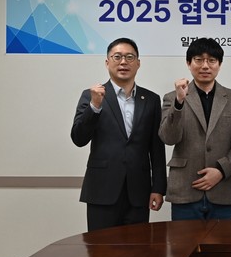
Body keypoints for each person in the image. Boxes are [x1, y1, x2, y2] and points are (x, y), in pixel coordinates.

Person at [71, 38, 166, 231]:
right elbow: (78, 138)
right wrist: (94, 107)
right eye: (117, 57)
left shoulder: (151, 99)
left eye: (130, 57)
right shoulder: (91, 96)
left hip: (138, 192)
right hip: (102, 189)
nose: (123, 62)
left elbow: (156, 147)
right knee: (101, 248)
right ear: (107, 62)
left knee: (138, 247)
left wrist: (158, 188)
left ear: (138, 63)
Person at [159, 38, 231, 220]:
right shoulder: (172, 97)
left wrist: (221, 170)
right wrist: (179, 103)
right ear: (189, 63)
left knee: (223, 240)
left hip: (222, 188)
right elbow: (169, 138)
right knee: (183, 239)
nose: (205, 66)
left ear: (220, 64)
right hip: (185, 188)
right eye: (199, 60)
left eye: (211, 60)